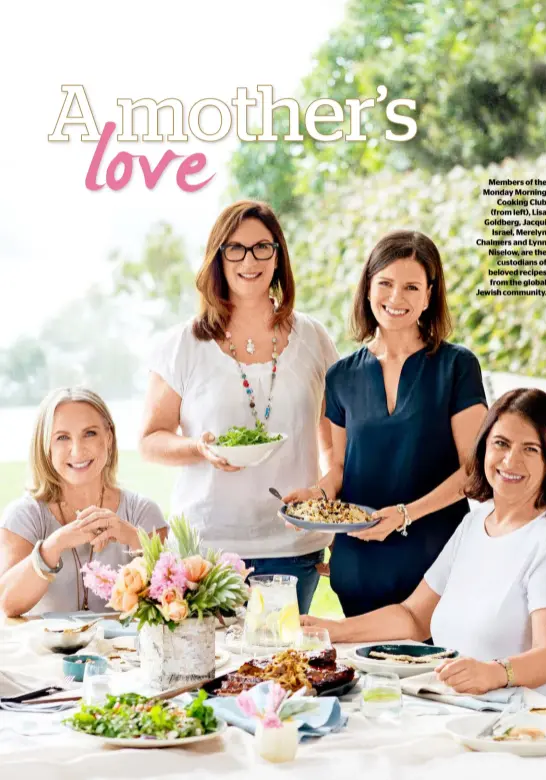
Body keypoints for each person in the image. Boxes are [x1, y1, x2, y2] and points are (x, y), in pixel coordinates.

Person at [302, 389, 546, 718]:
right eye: (501, 443)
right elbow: (413, 618)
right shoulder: (475, 523)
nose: (511, 461)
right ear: (483, 448)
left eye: (530, 448)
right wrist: (328, 629)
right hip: (475, 711)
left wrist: (493, 673)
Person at [139, 200, 338, 613]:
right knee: (212, 675)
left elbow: (333, 443)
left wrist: (322, 493)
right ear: (218, 258)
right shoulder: (184, 344)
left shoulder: (315, 339)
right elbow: (150, 440)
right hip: (207, 550)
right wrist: (199, 449)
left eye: (262, 247)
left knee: (283, 669)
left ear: (278, 256)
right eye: (235, 249)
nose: (250, 260)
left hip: (294, 546)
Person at [285, 230, 487, 616]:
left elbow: (473, 470)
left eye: (412, 287)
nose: (396, 298)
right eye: (386, 284)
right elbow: (341, 468)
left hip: (437, 563)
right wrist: (317, 497)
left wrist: (405, 514)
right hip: (360, 565)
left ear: (430, 295)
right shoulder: (341, 375)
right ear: (367, 288)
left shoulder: (457, 367)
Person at [0, 388, 168, 617]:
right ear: (45, 446)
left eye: (90, 433)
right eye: (62, 437)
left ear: (108, 438)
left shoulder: (143, 512)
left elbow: (171, 600)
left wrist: (132, 537)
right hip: (47, 652)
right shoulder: (24, 516)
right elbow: (8, 604)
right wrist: (54, 545)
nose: (77, 450)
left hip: (125, 652)